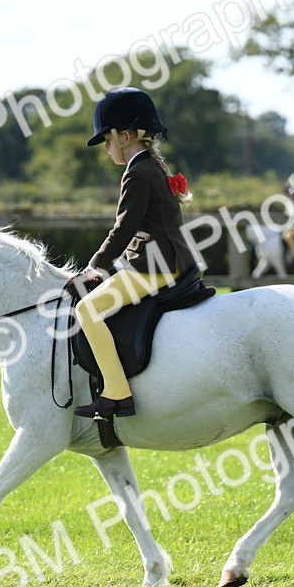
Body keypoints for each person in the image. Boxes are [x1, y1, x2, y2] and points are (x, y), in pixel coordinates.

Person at [66, 88, 198, 419]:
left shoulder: (137, 172)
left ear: (125, 137)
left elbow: (123, 229)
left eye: (107, 142)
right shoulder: (153, 166)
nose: (107, 150)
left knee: (88, 309)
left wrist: (94, 267)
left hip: (155, 266)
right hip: (168, 260)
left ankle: (117, 392)